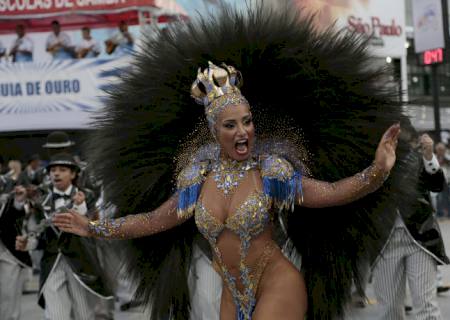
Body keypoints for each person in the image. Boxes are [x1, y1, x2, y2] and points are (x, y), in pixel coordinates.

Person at [53, 3, 416, 319]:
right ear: (214, 131)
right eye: (231, 125)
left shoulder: (272, 169)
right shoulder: (195, 177)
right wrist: (94, 228)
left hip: (278, 284)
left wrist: (378, 169)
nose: (243, 131)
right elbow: (152, 221)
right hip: (232, 294)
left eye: (248, 122)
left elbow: (333, 193)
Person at [16, 153, 112, 320]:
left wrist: (81, 207)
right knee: (56, 315)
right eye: (53, 170)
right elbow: (40, 235)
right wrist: (28, 243)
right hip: (52, 263)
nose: (56, 173)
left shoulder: (87, 196)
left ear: (73, 174)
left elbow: (96, 228)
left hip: (80, 263)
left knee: (84, 314)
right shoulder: (41, 201)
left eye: (62, 170)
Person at [372, 132, 450, 320]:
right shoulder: (369, 157)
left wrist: (429, 156)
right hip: (383, 239)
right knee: (389, 311)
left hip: (421, 236)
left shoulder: (416, 157)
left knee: (426, 308)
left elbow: (438, 185)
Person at [0, 185, 34, 320]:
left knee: (9, 295)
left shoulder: (10, 195)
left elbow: (20, 212)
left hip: (7, 252)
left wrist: (19, 201)